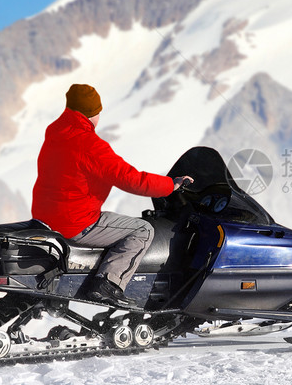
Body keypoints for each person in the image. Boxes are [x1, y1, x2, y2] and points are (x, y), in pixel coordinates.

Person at [31, 83, 193, 308]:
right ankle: (107, 286)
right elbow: (131, 179)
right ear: (92, 113)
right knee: (142, 229)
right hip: (76, 222)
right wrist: (170, 185)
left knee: (113, 219)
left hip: (46, 218)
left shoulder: (56, 132)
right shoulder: (89, 144)